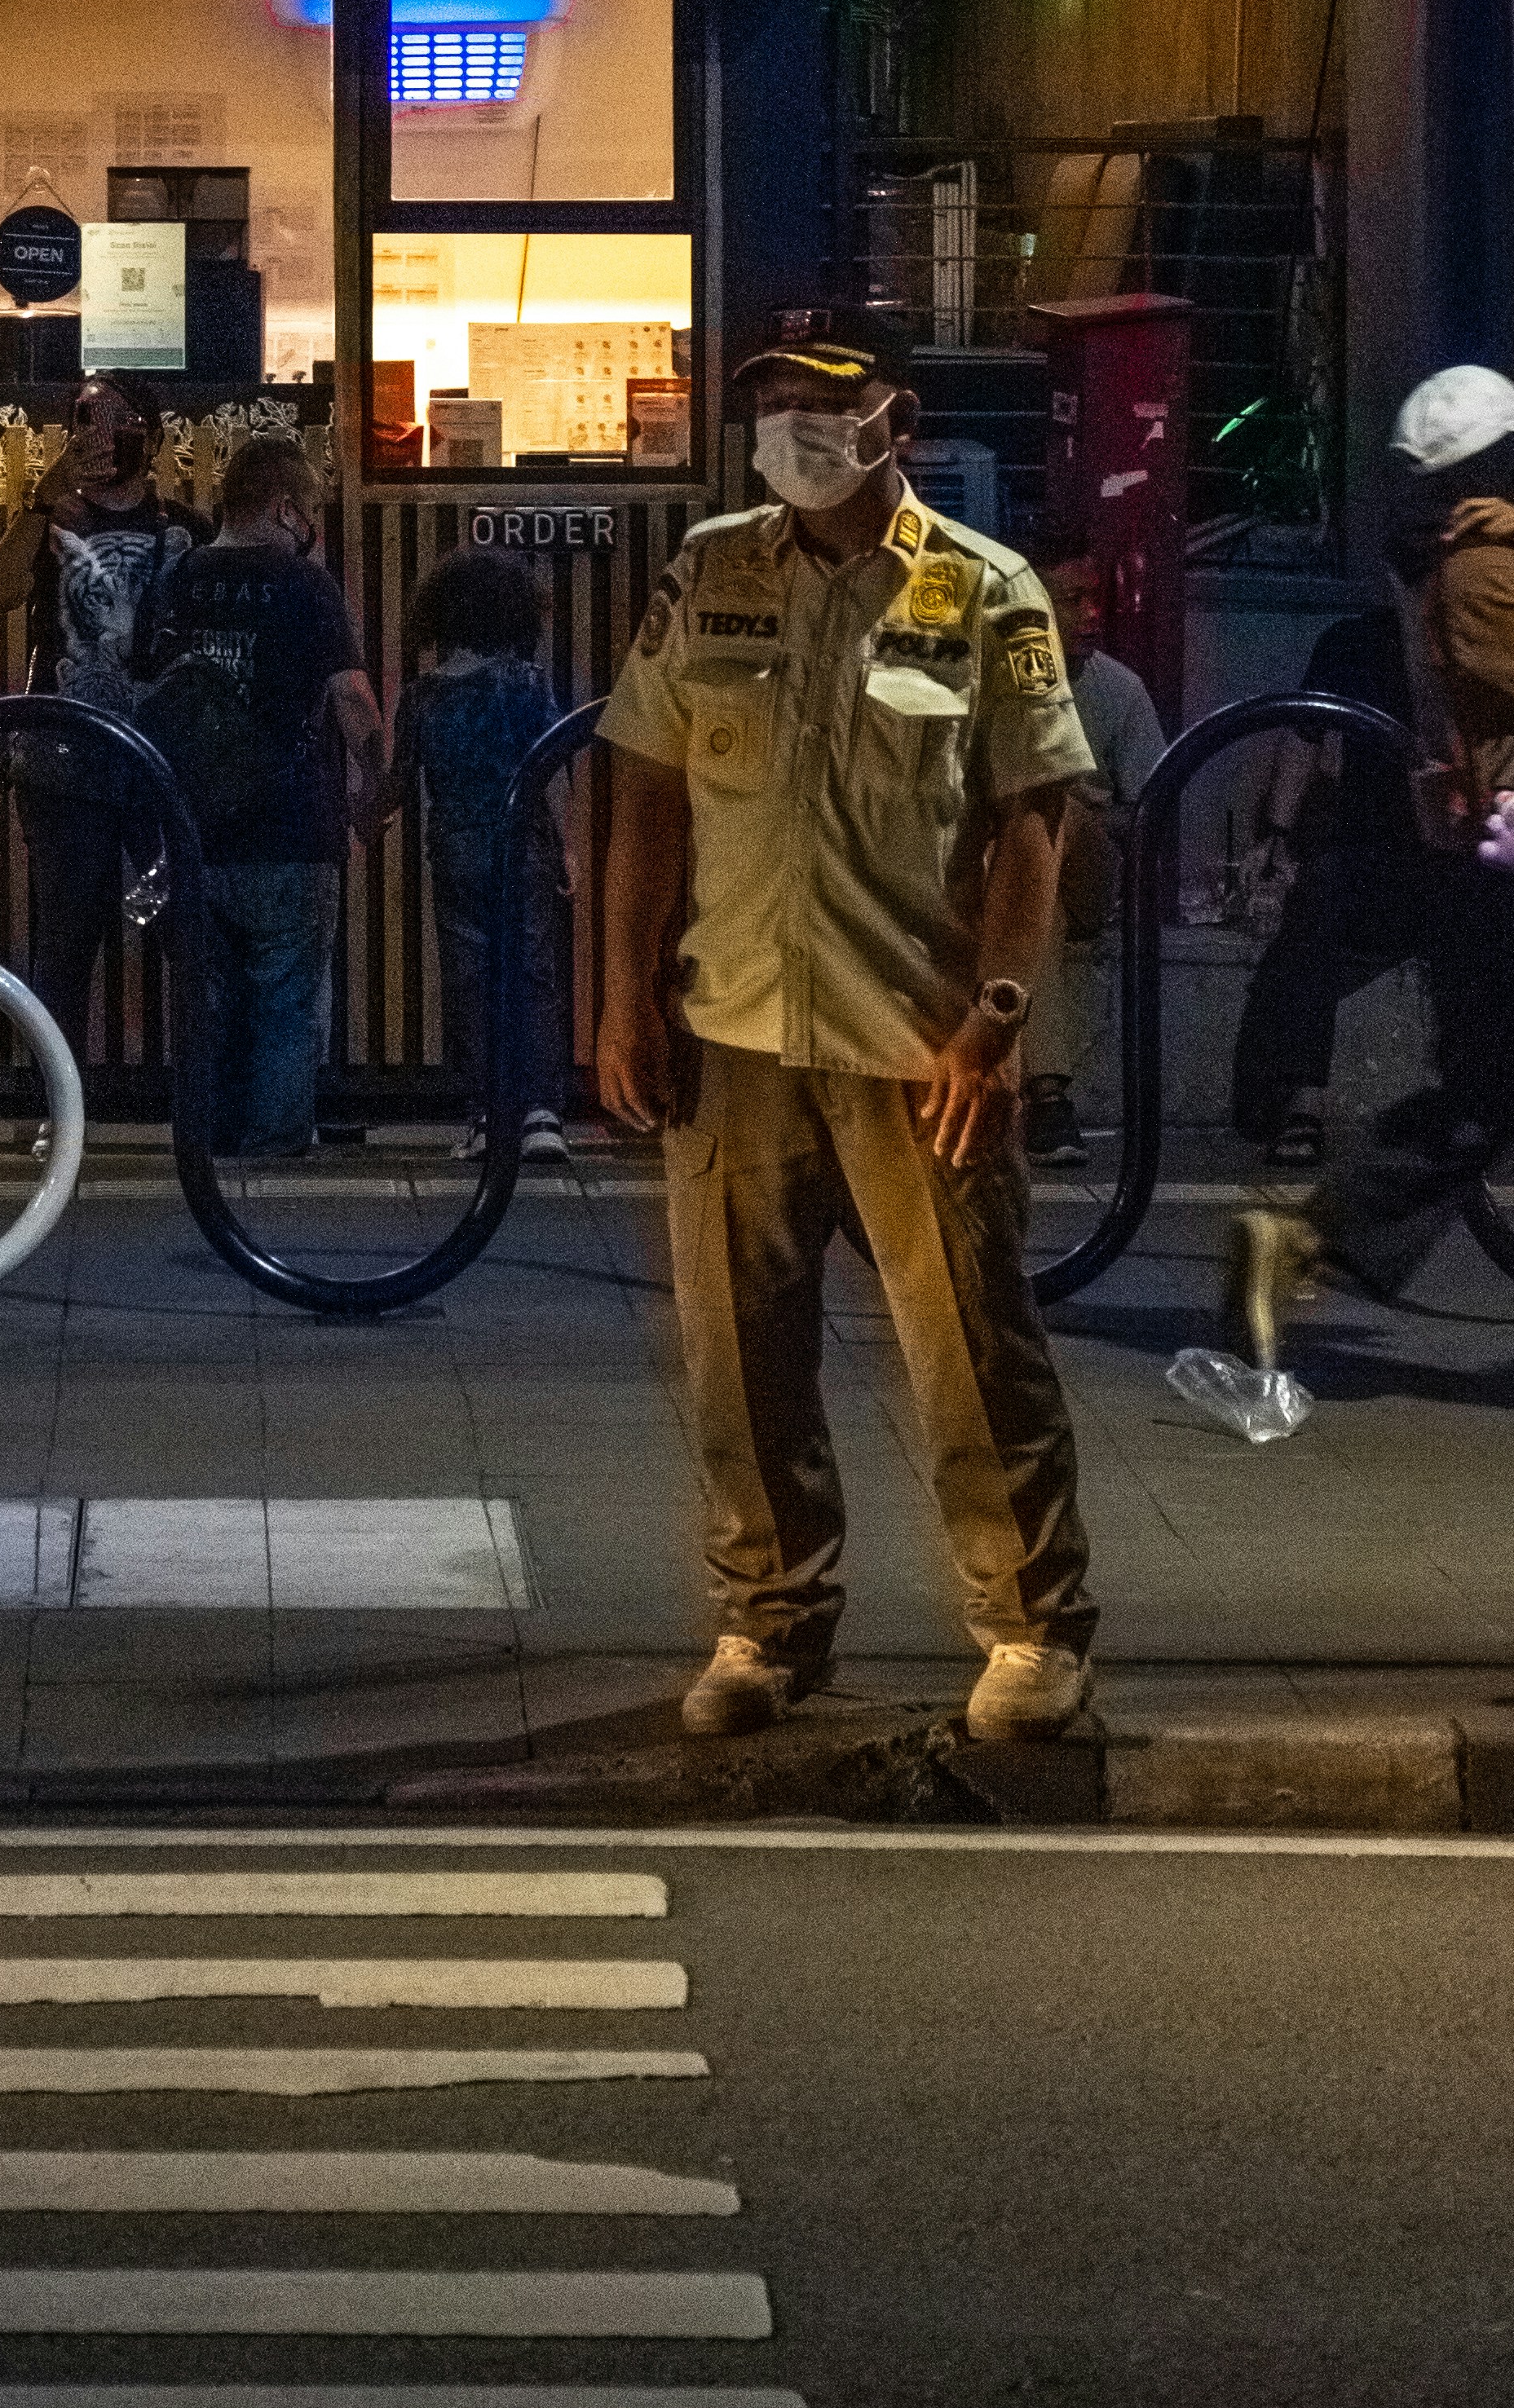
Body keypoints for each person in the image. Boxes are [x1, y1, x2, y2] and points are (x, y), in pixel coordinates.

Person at [598, 310, 1103, 1745]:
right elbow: (640, 790)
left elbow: (1033, 824)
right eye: (769, 403)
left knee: (969, 1348)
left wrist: (995, 1021)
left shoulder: (987, 591)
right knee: (738, 1358)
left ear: (899, 422)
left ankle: (1032, 1629)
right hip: (737, 1030)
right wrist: (620, 997)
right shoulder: (709, 575)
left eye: (825, 403)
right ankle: (769, 1622)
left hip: (916, 1043)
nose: (794, 429)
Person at [1225, 368, 1514, 1416]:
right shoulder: (1482, 577)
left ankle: (1303, 1242)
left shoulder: (1494, 562)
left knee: (1487, 1093)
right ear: (1492, 467)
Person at [139, 428, 382, 1160]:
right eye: (309, 512)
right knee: (286, 997)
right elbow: (353, 700)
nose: (311, 529)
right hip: (290, 827)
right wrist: (375, 784)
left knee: (206, 998)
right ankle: (277, 1145)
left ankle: (208, 1142)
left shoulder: (176, 581)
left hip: (189, 827)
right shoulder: (307, 585)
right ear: (284, 509)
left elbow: (148, 694)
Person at [0, 381, 204, 1070]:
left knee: (183, 931)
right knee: (68, 938)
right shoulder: (49, 523)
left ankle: (198, 1109)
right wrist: (39, 503)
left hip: (163, 762)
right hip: (62, 763)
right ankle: (63, 1109)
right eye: (87, 425)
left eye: (120, 424)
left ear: (155, 438)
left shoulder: (188, 531)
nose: (102, 440)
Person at [1225, 602, 1424, 1161]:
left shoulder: (1485, 637)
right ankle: (1301, 1104)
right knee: (1316, 903)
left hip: (1473, 846)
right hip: (1374, 848)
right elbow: (1306, 734)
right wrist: (1277, 834)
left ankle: (1494, 1105)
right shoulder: (1357, 642)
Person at [386, 549, 571, 1152]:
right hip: (524, 846)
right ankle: (542, 1113)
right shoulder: (527, 684)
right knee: (533, 975)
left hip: (456, 852)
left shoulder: (422, 696)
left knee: (471, 983)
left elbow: (400, 779)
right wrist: (567, 848)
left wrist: (365, 813)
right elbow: (552, 770)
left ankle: (489, 1116)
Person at [1020, 551, 1168, 1167]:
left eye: (1095, 600)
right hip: (1020, 875)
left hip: (1086, 865)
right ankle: (1048, 1096)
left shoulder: (1118, 688)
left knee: (1054, 810)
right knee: (1036, 904)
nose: (1091, 616)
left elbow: (1152, 809)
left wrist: (1075, 801)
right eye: (1071, 601)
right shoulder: (1003, 676)